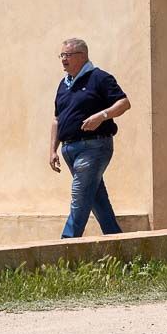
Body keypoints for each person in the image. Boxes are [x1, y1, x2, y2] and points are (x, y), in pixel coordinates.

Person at [48, 38, 131, 238]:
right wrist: (52, 150)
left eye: (67, 55)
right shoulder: (63, 84)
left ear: (82, 56)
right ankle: (117, 241)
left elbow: (124, 103)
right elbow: (56, 119)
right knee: (96, 198)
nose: (63, 60)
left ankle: (65, 245)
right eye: (61, 55)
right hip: (69, 150)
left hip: (94, 147)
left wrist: (101, 116)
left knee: (79, 197)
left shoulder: (100, 78)